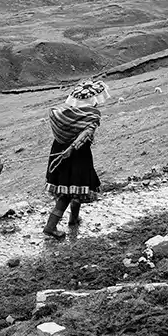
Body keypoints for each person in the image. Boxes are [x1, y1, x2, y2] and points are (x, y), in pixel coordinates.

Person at [43, 80, 108, 239]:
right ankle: (50, 227)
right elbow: (85, 135)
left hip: (58, 150)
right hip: (76, 155)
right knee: (69, 191)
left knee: (73, 188)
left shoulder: (65, 113)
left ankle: (73, 218)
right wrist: (72, 148)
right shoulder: (91, 116)